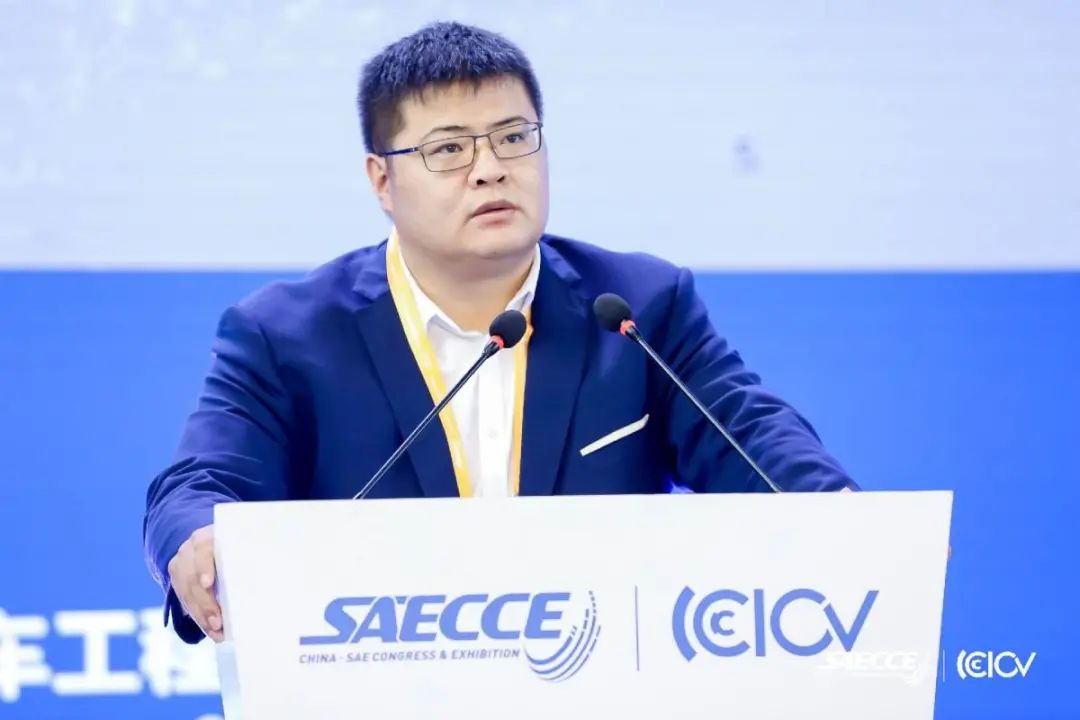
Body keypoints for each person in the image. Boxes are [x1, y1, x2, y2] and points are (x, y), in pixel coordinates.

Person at [143, 21, 857, 645]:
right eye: (449, 150)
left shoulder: (636, 306)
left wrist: (843, 516)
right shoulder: (286, 335)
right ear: (382, 181)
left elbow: (749, 433)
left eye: (514, 138)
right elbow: (201, 481)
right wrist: (197, 537)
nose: (490, 171)